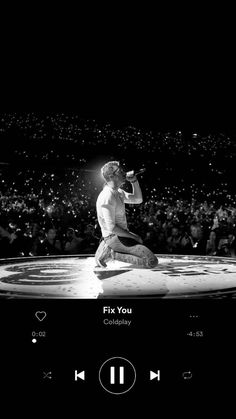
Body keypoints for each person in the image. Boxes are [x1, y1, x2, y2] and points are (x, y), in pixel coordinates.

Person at [95, 161, 158, 268]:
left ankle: (106, 248)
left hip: (121, 235)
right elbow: (112, 228)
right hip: (113, 237)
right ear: (112, 176)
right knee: (151, 261)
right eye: (120, 171)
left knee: (147, 256)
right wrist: (134, 236)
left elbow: (138, 199)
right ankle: (111, 252)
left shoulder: (118, 192)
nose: (124, 172)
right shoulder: (107, 196)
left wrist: (133, 181)